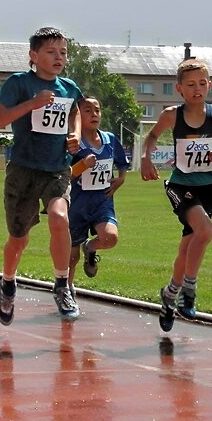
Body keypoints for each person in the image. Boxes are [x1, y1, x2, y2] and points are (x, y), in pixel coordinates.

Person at [140, 58, 212, 332]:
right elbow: (152, 136)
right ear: (179, 89)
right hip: (180, 186)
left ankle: (169, 294)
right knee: (206, 230)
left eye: (202, 83)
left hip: (209, 188)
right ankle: (189, 288)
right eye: (190, 85)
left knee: (187, 247)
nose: (197, 89)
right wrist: (145, 158)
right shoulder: (171, 115)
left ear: (210, 85)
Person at [0, 26, 84, 324]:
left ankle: (61, 285)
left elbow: (75, 111)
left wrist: (75, 134)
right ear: (33, 56)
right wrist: (32, 104)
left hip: (56, 168)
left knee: (60, 218)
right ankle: (7, 283)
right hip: (23, 170)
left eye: (63, 52)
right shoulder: (19, 83)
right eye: (51, 52)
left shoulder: (68, 87)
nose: (59, 57)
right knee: (19, 239)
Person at [67, 95, 129, 283]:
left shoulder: (109, 139)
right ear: (77, 116)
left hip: (102, 202)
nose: (94, 114)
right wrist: (82, 166)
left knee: (110, 238)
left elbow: (122, 162)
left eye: (97, 110)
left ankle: (90, 247)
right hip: (76, 205)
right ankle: (67, 288)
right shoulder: (73, 145)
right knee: (71, 256)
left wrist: (121, 179)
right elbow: (63, 175)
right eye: (88, 111)